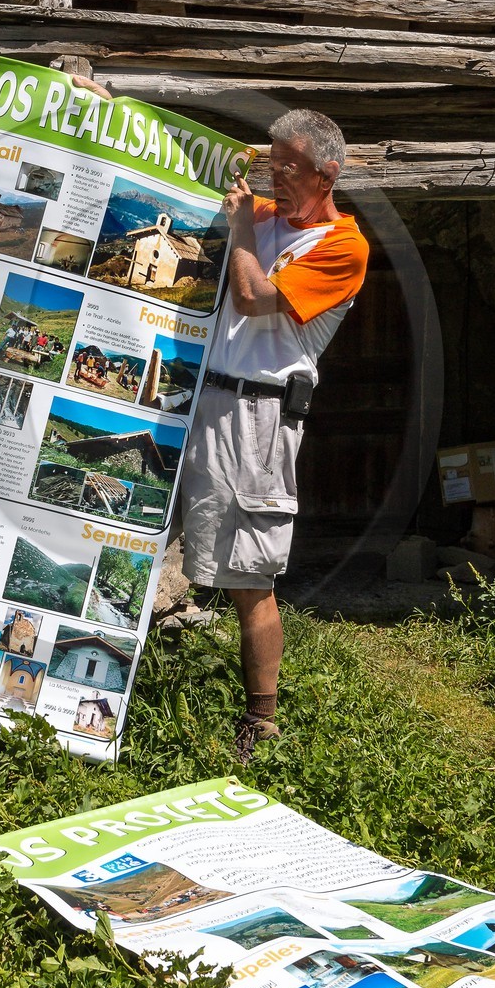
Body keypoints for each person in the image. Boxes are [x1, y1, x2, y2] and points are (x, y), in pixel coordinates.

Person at [179, 106, 369, 763]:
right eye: (271, 163)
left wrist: (237, 229)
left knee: (248, 575)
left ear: (327, 173)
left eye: (290, 168)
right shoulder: (258, 216)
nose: (276, 177)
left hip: (259, 419)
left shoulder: (342, 247)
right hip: (198, 396)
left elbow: (256, 299)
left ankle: (260, 724)